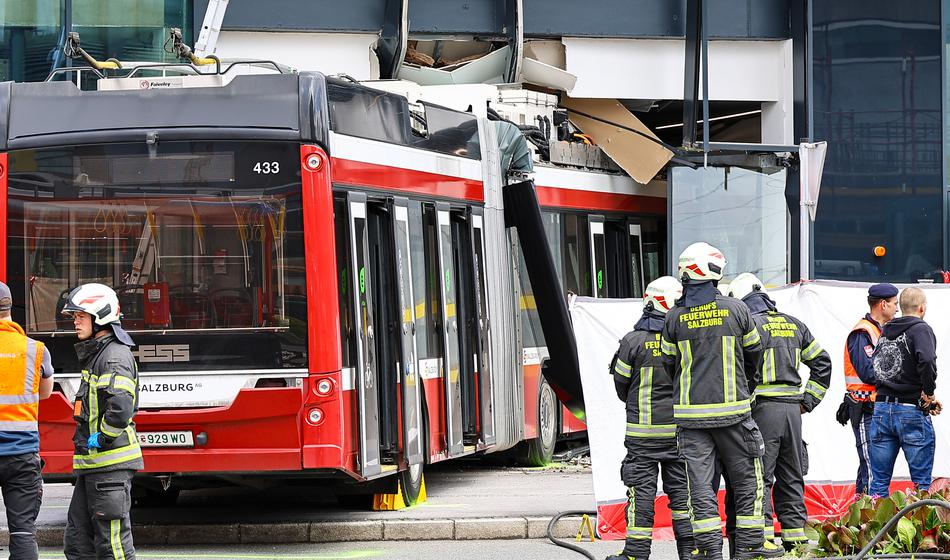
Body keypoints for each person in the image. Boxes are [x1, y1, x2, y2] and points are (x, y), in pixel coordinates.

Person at [660, 242, 781, 560]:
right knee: (748, 481)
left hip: (691, 421)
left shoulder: (674, 319)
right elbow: (755, 354)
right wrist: (746, 386)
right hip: (735, 417)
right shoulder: (737, 310)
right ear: (715, 272)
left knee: (699, 488)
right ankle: (751, 548)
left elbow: (668, 366)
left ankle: (709, 551)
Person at [729, 273, 832, 551]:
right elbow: (823, 363)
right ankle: (796, 544)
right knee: (791, 475)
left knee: (760, 476)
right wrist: (806, 401)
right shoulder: (794, 325)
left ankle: (763, 542)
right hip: (792, 414)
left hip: (762, 412)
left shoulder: (748, 327)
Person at [607, 276, 693, 560]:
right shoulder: (684, 339)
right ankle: (689, 553)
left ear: (650, 301)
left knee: (641, 497)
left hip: (642, 437)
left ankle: (635, 554)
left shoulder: (632, 341)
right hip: (678, 436)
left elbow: (621, 384)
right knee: (683, 498)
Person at [61, 283, 143, 560]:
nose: (75, 322)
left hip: (109, 465)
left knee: (113, 546)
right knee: (78, 544)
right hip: (94, 467)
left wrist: (103, 438)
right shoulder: (98, 354)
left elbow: (120, 408)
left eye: (80, 317)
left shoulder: (113, 357)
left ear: (100, 317)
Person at [868, 287, 941, 496]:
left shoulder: (886, 329)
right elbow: (926, 360)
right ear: (922, 307)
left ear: (901, 308)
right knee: (921, 485)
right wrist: (929, 393)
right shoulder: (921, 329)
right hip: (910, 411)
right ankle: (919, 527)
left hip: (881, 409)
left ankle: (875, 527)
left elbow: (877, 365)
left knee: (879, 482)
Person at [0, 281, 54, 560]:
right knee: (22, 532)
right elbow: (44, 394)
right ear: (10, 308)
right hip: (21, 455)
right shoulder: (36, 350)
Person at [841, 283, 897, 495]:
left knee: (870, 463)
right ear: (883, 305)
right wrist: (897, 375)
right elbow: (868, 372)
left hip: (875, 407)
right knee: (873, 466)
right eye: (894, 304)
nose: (897, 308)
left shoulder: (878, 330)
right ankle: (875, 519)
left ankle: (861, 516)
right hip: (865, 407)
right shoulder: (862, 332)